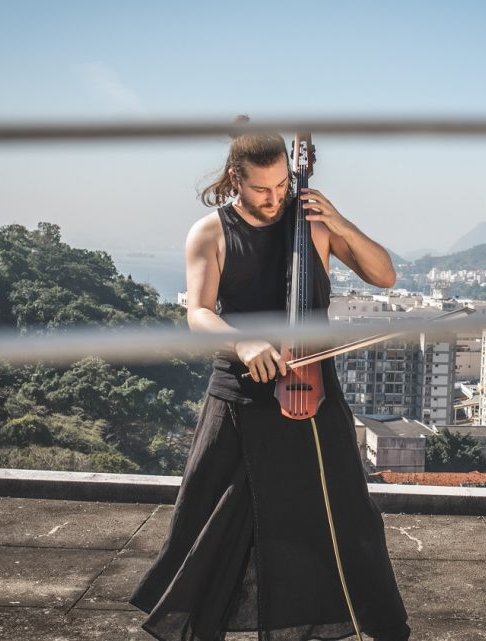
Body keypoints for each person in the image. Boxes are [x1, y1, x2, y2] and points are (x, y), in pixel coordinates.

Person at [129, 128, 410, 641]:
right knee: (212, 523)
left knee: (347, 516)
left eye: (283, 184)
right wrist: (242, 342)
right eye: (262, 189)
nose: (275, 197)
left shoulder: (313, 223)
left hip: (313, 390)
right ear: (236, 177)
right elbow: (198, 313)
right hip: (240, 395)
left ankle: (377, 627)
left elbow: (384, 276)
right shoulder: (210, 233)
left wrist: (339, 220)